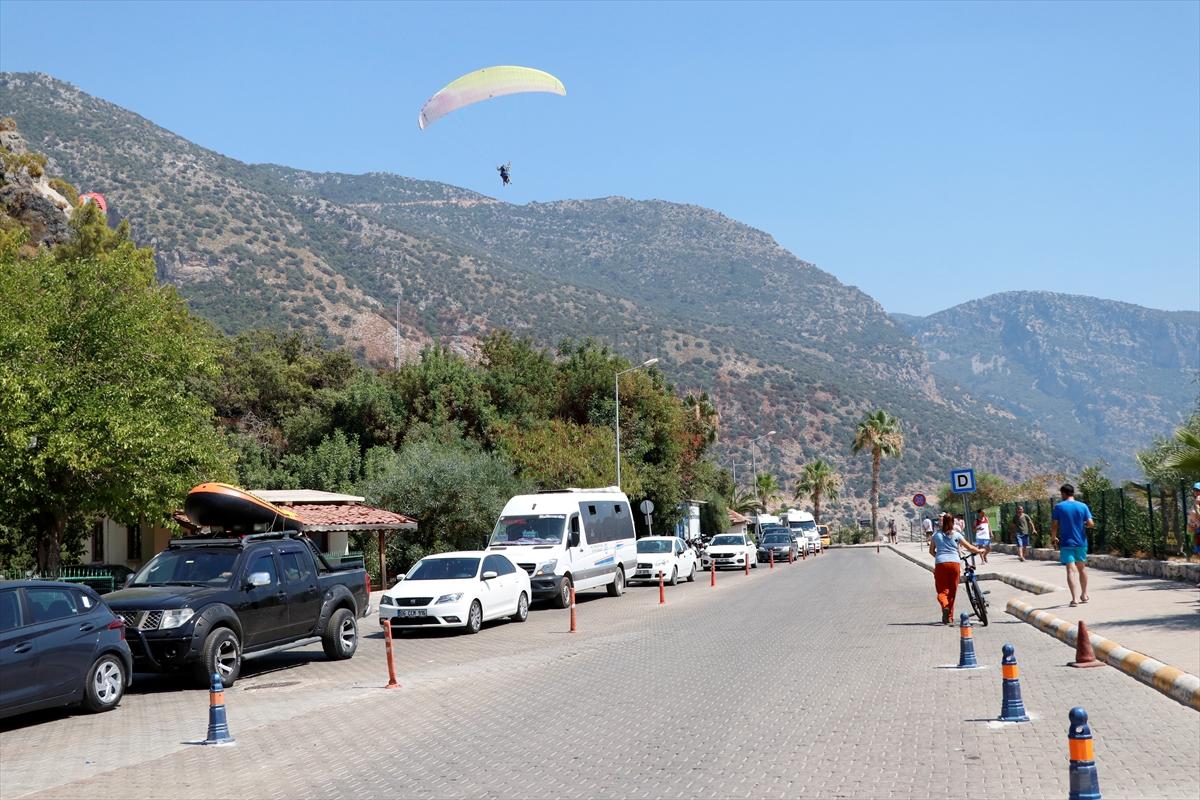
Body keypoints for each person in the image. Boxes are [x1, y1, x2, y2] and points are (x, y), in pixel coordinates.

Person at [929, 513, 987, 624]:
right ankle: (949, 617)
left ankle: (945, 607)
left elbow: (931, 551)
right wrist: (980, 551)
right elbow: (969, 547)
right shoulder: (956, 534)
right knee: (952, 592)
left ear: (942, 523)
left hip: (941, 564)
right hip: (955, 564)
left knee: (942, 592)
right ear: (953, 523)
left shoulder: (936, 535)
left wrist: (940, 557)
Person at [1051, 483, 1094, 607]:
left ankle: (1074, 599)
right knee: (1082, 568)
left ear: (1064, 493)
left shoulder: (1059, 507)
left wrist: (1053, 537)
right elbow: (1091, 523)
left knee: (1070, 570)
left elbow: (1054, 524)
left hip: (1066, 542)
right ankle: (1084, 595)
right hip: (1081, 542)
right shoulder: (1083, 506)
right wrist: (1083, 525)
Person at [1189, 482, 1200, 562]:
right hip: (1195, 524)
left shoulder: (1198, 498)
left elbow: (1198, 511)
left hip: (1198, 524)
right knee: (1196, 539)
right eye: (1194, 490)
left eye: (1197, 490)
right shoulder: (1196, 499)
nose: (1195, 492)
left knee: (1197, 540)